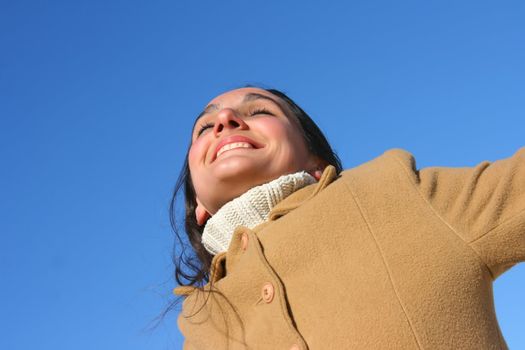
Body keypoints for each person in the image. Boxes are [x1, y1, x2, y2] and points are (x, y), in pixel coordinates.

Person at [170, 87, 524, 349]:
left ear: (316, 160)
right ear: (198, 204)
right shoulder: (199, 320)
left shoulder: (397, 191)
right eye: (204, 128)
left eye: (260, 111)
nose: (225, 121)